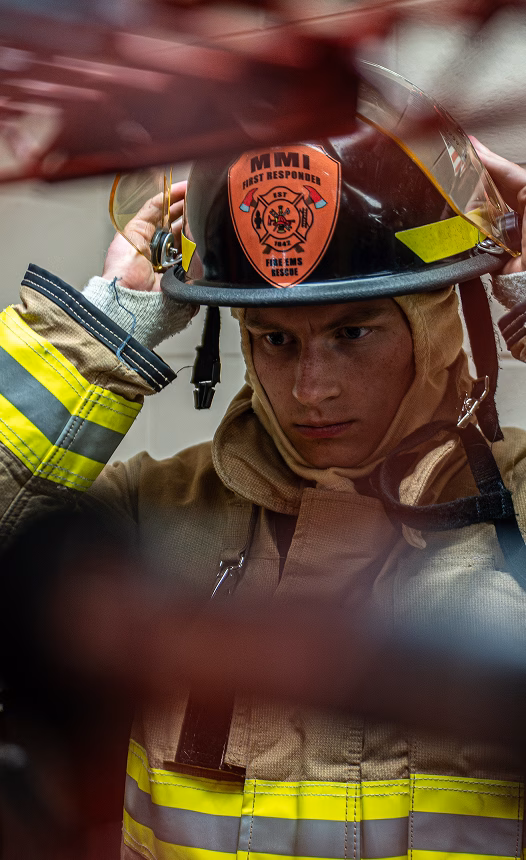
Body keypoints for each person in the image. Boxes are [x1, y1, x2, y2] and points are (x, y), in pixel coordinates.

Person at [2, 63, 526, 860]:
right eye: (275, 340)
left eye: (355, 333)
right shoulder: (146, 518)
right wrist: (100, 334)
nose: (310, 389)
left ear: (439, 320)